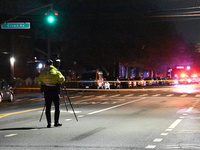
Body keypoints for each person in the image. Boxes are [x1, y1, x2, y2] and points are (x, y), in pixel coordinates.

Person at [38, 59, 65, 128]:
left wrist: (42, 85)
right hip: (55, 90)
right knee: (57, 107)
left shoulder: (43, 72)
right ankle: (56, 122)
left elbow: (39, 81)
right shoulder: (55, 71)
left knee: (48, 107)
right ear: (52, 64)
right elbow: (62, 79)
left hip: (47, 91)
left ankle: (49, 123)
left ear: (45, 65)